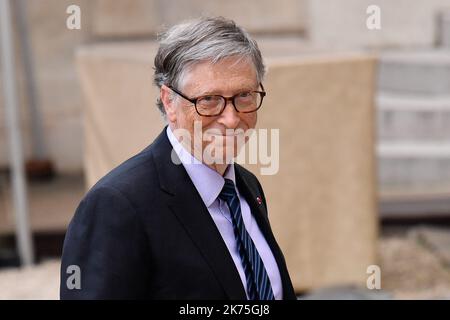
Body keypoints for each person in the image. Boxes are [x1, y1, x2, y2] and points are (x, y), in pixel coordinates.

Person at [60, 16, 296, 300]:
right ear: (170, 102)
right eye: (209, 100)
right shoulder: (117, 205)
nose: (232, 119)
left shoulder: (246, 186)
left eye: (244, 95)